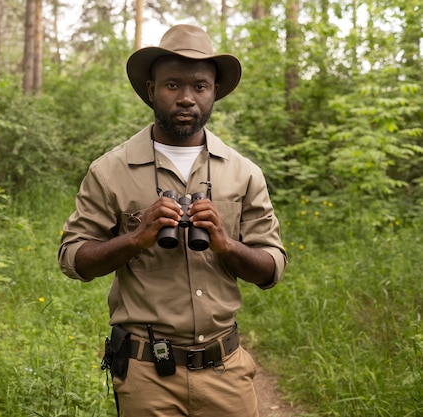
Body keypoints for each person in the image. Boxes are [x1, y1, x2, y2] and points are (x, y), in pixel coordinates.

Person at [58, 24, 287, 417]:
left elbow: (272, 268)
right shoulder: (110, 170)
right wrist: (135, 238)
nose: (186, 98)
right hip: (147, 374)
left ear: (214, 92)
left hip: (225, 368)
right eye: (172, 85)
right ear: (151, 91)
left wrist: (225, 243)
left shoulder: (244, 172)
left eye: (200, 86)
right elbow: (72, 259)